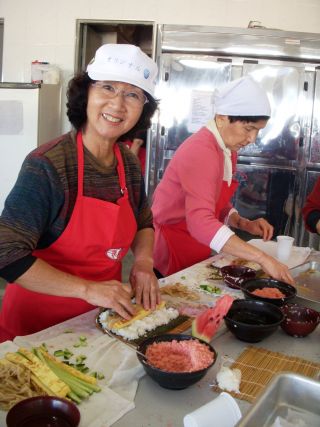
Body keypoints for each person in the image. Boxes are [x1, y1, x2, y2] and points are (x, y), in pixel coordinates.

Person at [0, 44, 161, 341]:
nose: (118, 104)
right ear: (86, 93)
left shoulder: (128, 163)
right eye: (108, 87)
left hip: (103, 319)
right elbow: (6, 253)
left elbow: (143, 222)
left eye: (133, 94)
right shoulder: (48, 165)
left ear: (143, 109)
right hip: (36, 326)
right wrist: (87, 289)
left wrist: (143, 262)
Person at [152, 75, 294, 285]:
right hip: (173, 245)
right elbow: (200, 222)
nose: (252, 139)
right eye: (249, 128)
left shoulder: (227, 149)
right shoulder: (202, 150)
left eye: (258, 130)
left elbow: (213, 199)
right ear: (221, 118)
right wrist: (262, 258)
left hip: (195, 242)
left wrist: (242, 222)